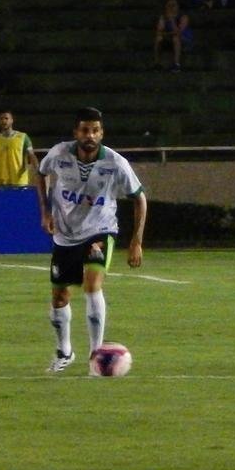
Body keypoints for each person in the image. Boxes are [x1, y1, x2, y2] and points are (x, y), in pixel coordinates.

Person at [36, 107, 147, 373]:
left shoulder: (116, 163)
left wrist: (136, 241)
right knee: (60, 297)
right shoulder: (59, 154)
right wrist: (46, 212)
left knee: (92, 284)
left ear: (101, 133)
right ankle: (65, 351)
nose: (90, 135)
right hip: (65, 234)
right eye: (85, 130)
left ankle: (96, 356)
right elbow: (40, 173)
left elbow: (139, 198)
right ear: (76, 132)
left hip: (101, 229)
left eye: (95, 130)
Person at [154, 0, 191, 71]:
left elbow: (179, 32)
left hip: (184, 39)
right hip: (169, 38)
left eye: (173, 5)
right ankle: (157, 64)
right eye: (169, 5)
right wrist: (166, 33)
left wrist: (172, 20)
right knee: (158, 38)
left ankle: (176, 64)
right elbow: (159, 31)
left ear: (178, 7)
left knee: (175, 38)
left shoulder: (183, 17)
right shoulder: (163, 17)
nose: (171, 7)